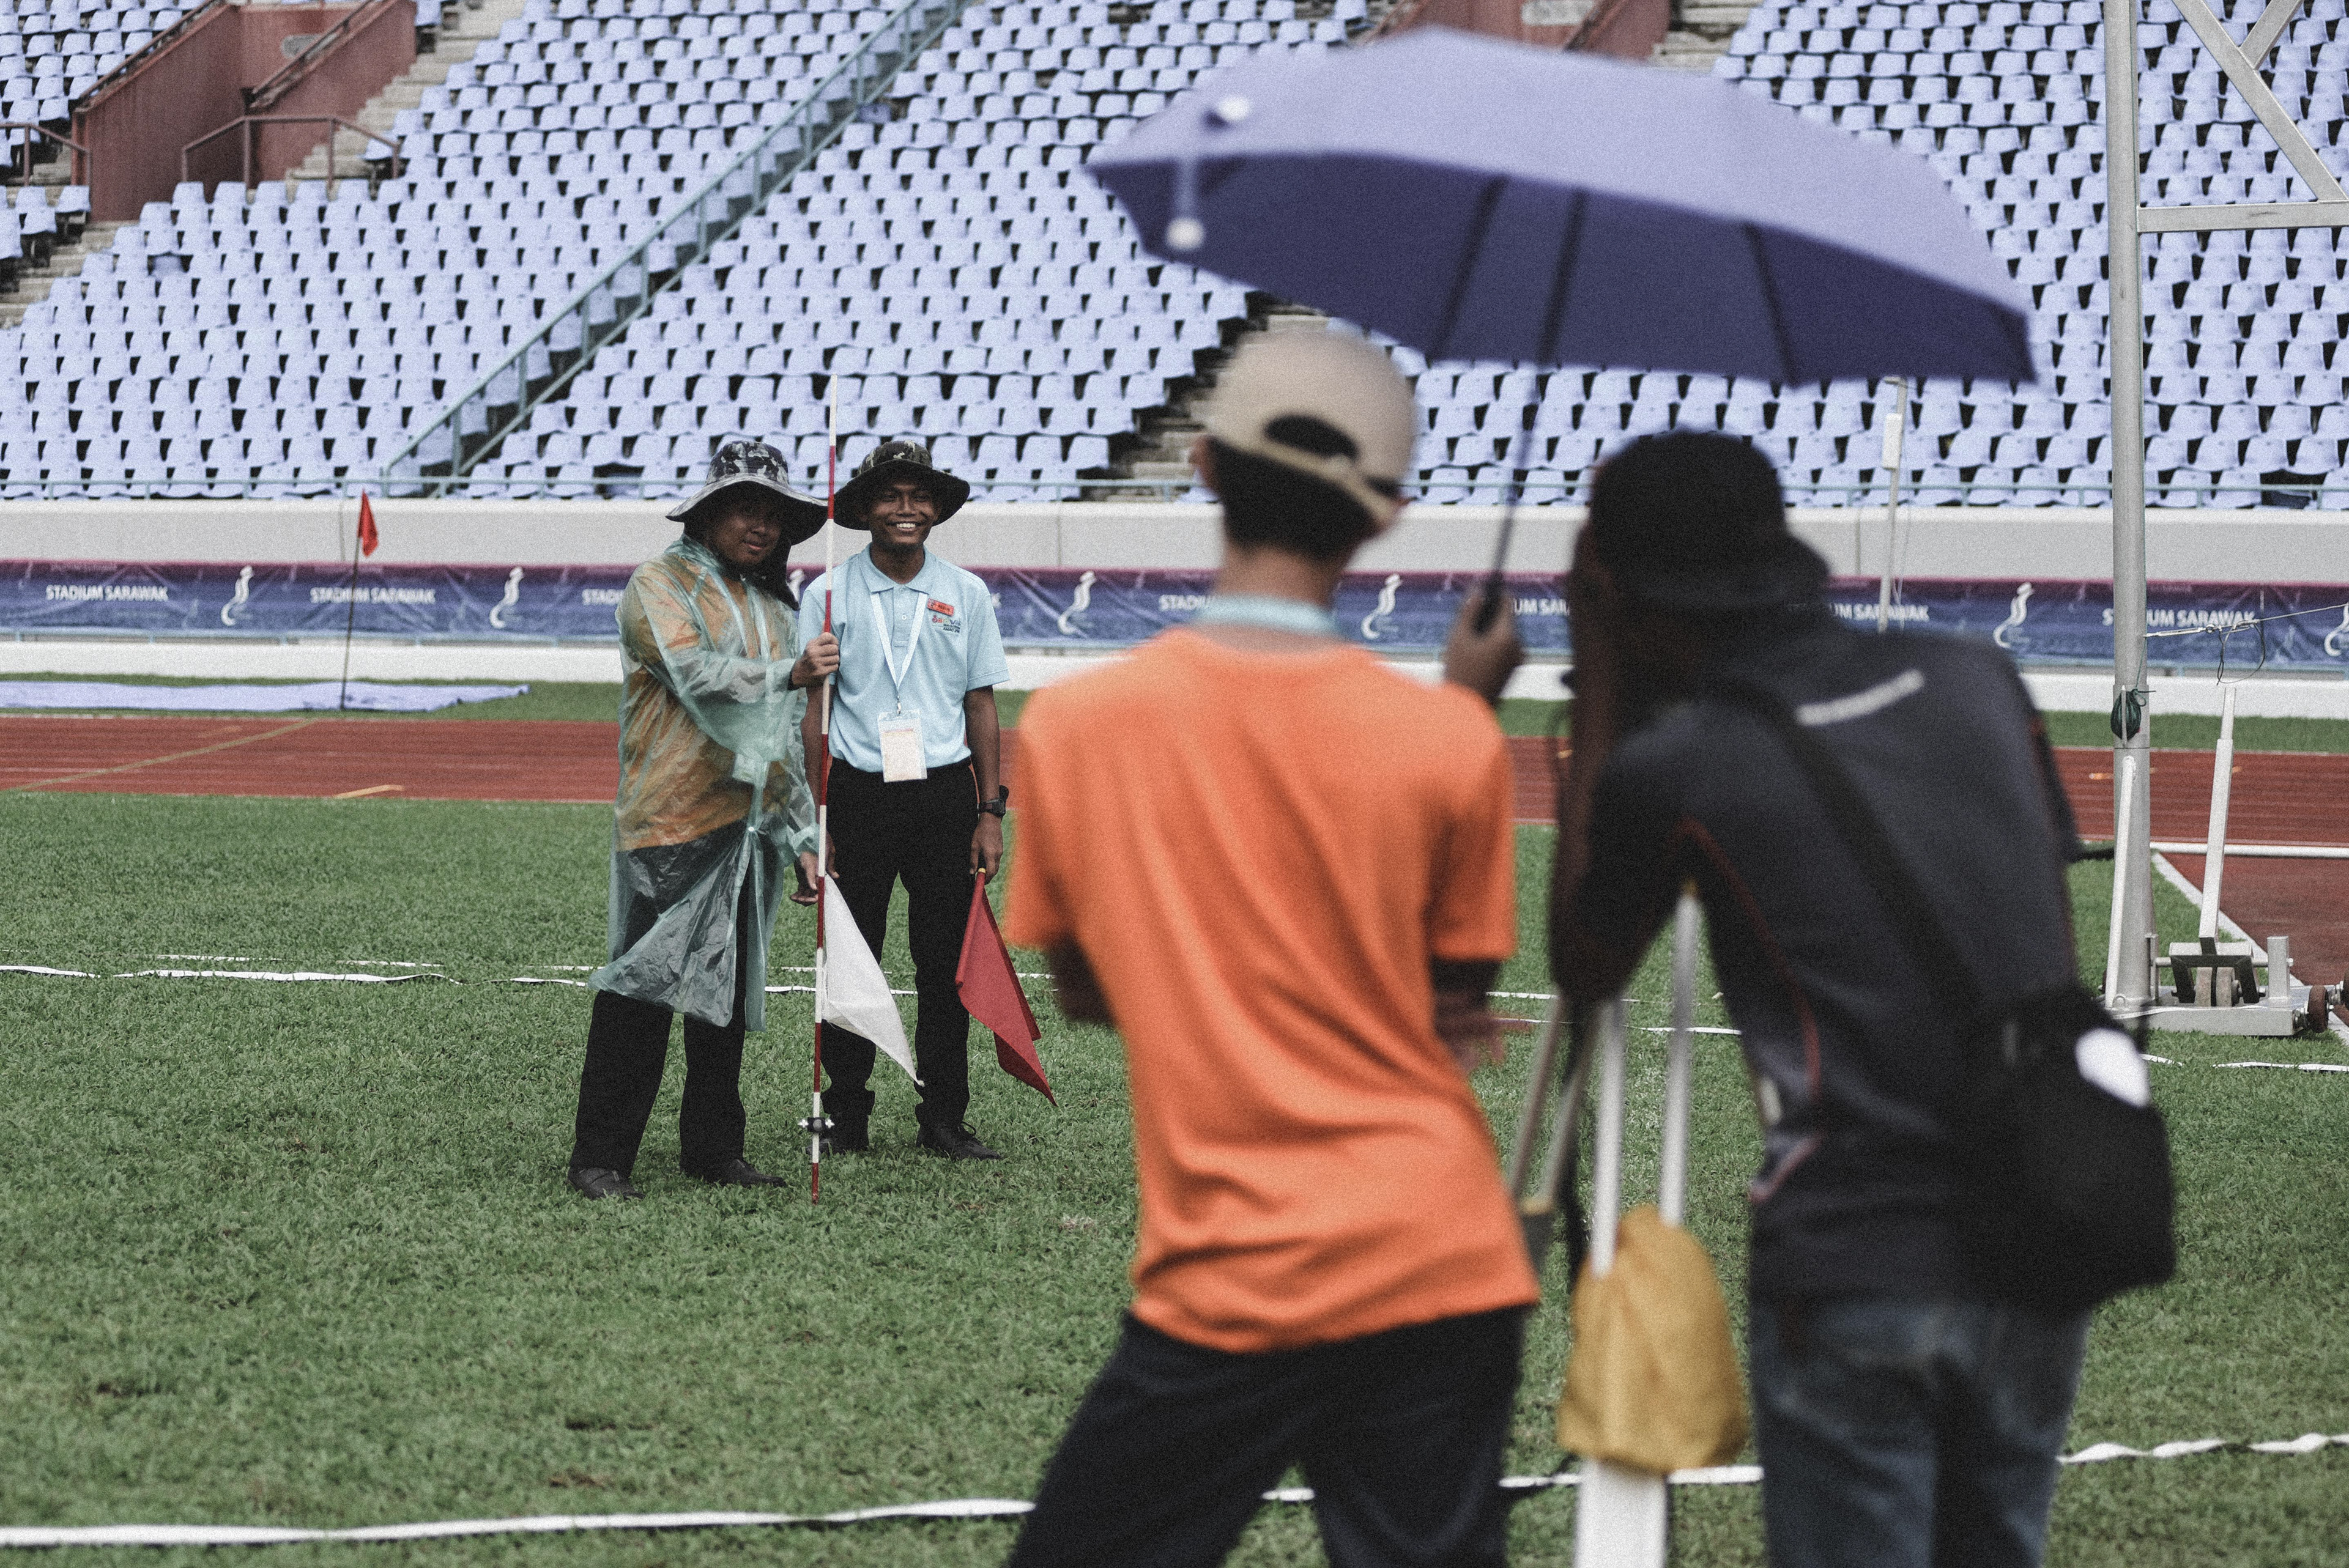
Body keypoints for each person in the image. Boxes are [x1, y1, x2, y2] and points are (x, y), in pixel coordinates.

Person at [1001, 333, 1539, 1568]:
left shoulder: (1075, 726)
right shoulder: (1451, 740)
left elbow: (1089, 991)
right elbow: (1451, 1000)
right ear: (1384, 515)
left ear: (1202, 464)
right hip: (1439, 1257)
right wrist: (1468, 707)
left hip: (1230, 1269)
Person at [1546, 432, 2089, 1568]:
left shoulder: (1680, 763)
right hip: (2045, 1217)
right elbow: (2042, 922)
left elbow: (1586, 962)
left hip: (1859, 1245)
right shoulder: (1979, 679)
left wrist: (1598, 680)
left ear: (1631, 598)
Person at [566, 438, 841, 1201]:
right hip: (668, 821)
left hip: (745, 831)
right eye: (744, 508)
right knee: (640, 992)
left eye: (774, 514)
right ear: (709, 512)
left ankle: (715, 1149)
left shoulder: (777, 608)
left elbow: (779, 738)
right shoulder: (660, 584)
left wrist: (803, 834)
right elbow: (693, 672)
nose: (761, 526)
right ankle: (600, 1157)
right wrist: (788, 671)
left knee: (725, 1002)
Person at [795, 438, 1010, 1160]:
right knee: (852, 958)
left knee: (944, 965)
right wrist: (816, 818)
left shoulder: (966, 593)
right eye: (890, 495)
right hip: (857, 795)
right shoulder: (827, 593)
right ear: (864, 508)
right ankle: (847, 1112)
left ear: (937, 508)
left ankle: (944, 1116)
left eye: (919, 495)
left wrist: (990, 812)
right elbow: (813, 711)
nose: (906, 508)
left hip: (945, 794)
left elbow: (980, 704)